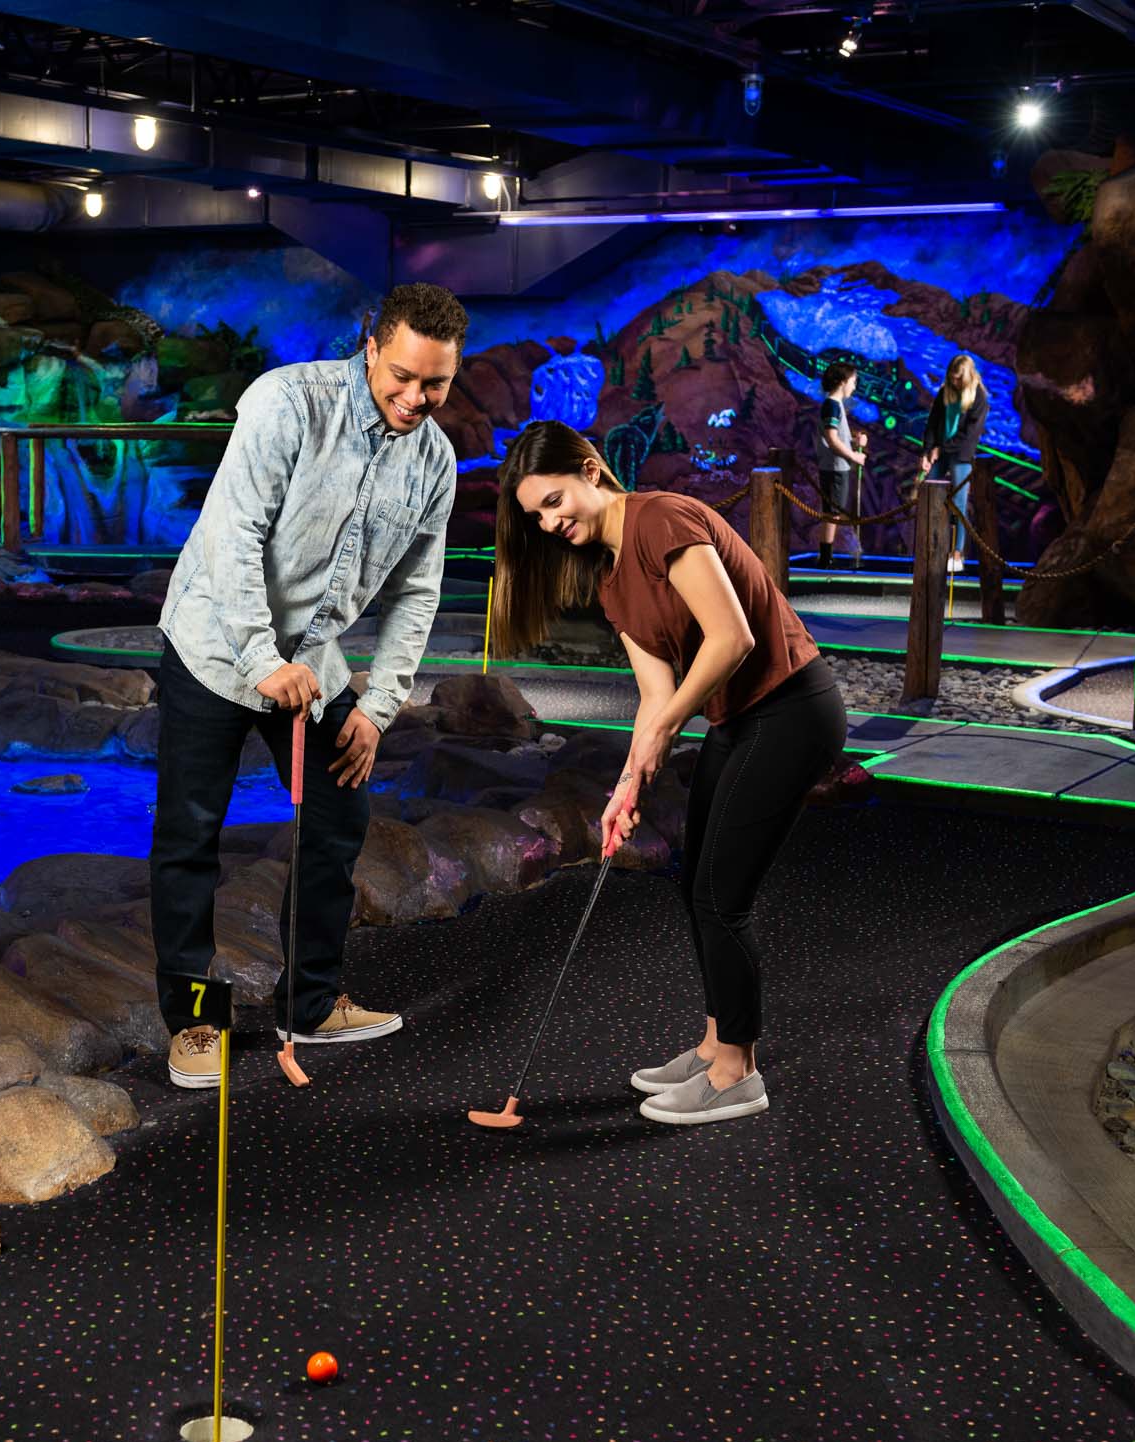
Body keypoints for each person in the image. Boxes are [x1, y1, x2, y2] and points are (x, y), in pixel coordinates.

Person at [152, 283, 467, 1089]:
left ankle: (310, 1004)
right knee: (191, 834)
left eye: (435, 383)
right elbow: (233, 534)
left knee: (339, 813)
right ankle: (195, 1022)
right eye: (402, 376)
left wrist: (379, 706)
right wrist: (261, 658)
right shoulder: (286, 403)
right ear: (371, 346)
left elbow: (416, 594)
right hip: (216, 642)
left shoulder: (435, 461)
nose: (415, 397)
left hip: (312, 659)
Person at [491, 420, 847, 1126]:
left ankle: (737, 1073)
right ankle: (715, 1045)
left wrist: (666, 728)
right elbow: (655, 696)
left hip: (792, 709)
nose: (550, 523)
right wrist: (627, 784)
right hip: (737, 720)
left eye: (554, 501)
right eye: (536, 516)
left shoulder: (661, 520)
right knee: (697, 884)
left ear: (590, 470)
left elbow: (732, 636)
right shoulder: (610, 578)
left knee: (722, 895)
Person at [918, 354, 990, 576]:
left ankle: (957, 554)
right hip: (940, 451)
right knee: (929, 492)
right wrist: (927, 451)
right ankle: (930, 549)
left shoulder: (979, 397)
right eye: (952, 378)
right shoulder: (944, 391)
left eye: (959, 378)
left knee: (959, 504)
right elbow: (933, 423)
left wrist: (941, 449)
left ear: (968, 376)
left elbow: (969, 434)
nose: (955, 382)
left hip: (960, 454)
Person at [814, 362, 868, 571]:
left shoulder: (835, 405)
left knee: (834, 511)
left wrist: (854, 441)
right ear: (842, 382)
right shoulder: (832, 405)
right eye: (853, 382)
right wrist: (854, 456)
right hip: (835, 467)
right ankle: (825, 557)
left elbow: (838, 436)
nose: (854, 386)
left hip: (838, 466)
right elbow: (832, 439)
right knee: (832, 512)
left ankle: (826, 555)